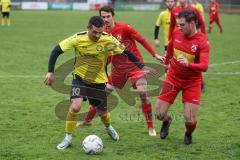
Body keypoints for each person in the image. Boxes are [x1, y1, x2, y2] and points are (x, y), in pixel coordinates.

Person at [44, 16, 155, 150]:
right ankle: (68, 137)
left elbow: (126, 52)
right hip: (80, 79)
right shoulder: (78, 38)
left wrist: (142, 67)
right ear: (88, 28)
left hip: (99, 82)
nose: (97, 35)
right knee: (75, 107)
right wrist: (50, 72)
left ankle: (108, 127)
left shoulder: (108, 39)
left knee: (102, 113)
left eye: (100, 32)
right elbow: (56, 50)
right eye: (95, 32)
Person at [79, 6, 162, 136]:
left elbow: (142, 40)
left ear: (113, 16)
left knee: (143, 93)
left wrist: (154, 54)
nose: (105, 19)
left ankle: (151, 127)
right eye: (103, 17)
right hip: (118, 70)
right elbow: (108, 54)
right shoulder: (101, 34)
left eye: (108, 16)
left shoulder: (125, 28)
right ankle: (88, 120)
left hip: (135, 67)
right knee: (101, 96)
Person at [156, 9, 210, 145]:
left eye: (182, 25)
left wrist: (188, 64)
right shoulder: (176, 33)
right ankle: (167, 121)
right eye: (178, 24)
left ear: (192, 23)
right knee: (159, 114)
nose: (179, 27)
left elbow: (204, 66)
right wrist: (167, 61)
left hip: (192, 82)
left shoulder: (203, 42)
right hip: (173, 77)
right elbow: (170, 47)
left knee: (190, 119)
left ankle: (188, 133)